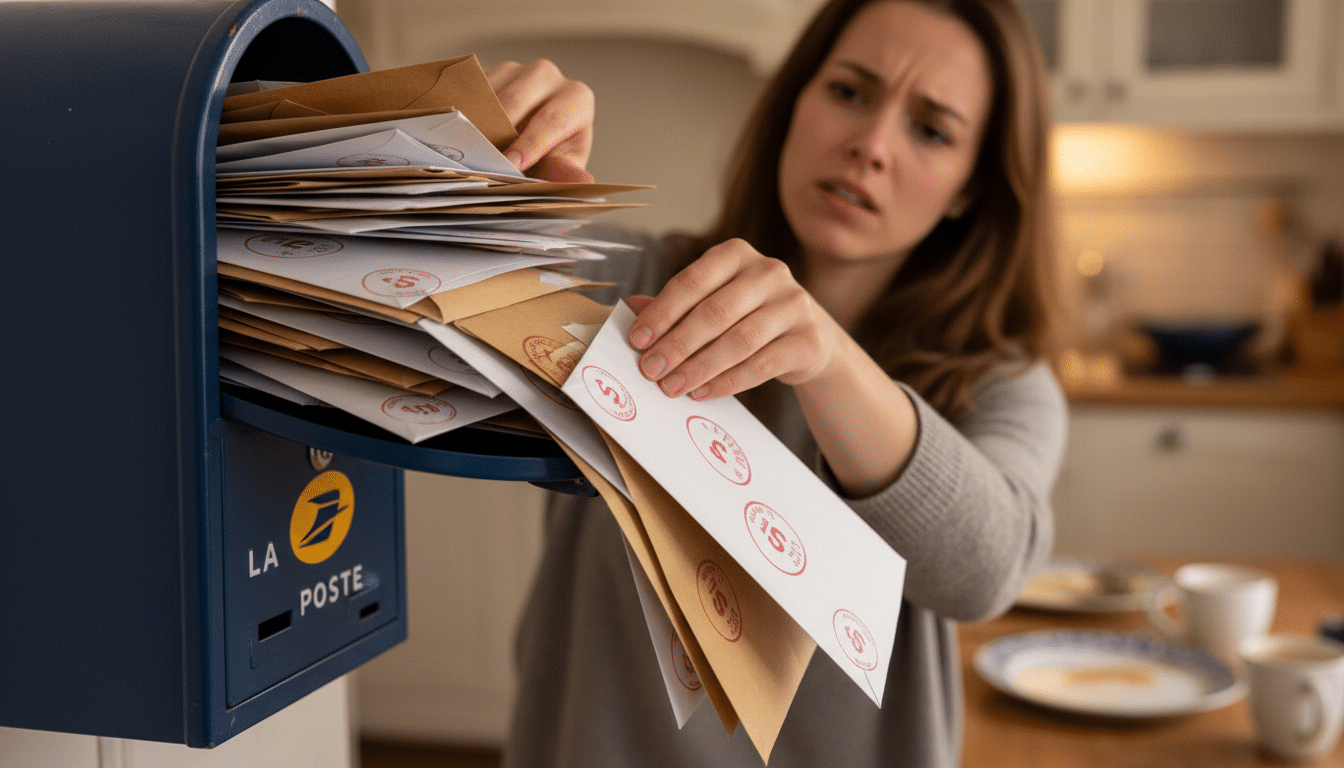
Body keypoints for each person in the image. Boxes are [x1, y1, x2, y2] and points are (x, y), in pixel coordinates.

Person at [484, 1, 1066, 766]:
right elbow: (405, 289)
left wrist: (827, 358)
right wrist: (476, 165)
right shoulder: (639, 285)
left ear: (970, 188)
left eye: (931, 130)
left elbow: (985, 573)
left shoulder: (1003, 384)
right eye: (850, 92)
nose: (871, 146)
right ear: (795, 100)